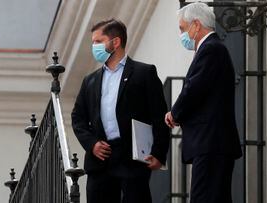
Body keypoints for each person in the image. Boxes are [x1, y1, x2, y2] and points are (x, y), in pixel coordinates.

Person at [71, 19, 170, 203]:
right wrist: (92, 144)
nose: (94, 47)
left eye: (98, 41)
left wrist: (158, 152)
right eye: (93, 42)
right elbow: (77, 118)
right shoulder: (90, 81)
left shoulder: (144, 72)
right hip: (100, 160)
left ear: (115, 42)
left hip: (132, 158)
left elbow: (158, 114)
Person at [165, 3, 242, 203]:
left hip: (210, 143)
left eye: (183, 28)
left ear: (196, 25)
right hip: (213, 144)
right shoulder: (213, 49)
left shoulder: (211, 49)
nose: (182, 34)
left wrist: (175, 112)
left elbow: (194, 88)